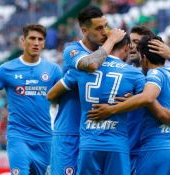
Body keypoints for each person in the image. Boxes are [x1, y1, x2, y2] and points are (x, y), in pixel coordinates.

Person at [88, 36, 170, 175]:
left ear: (144, 58)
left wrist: (111, 110)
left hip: (155, 149)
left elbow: (148, 98)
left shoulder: (155, 73)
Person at [48, 35, 144, 175]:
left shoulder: (82, 69)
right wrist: (132, 100)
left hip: (89, 144)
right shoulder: (134, 74)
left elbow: (51, 95)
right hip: (117, 144)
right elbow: (148, 100)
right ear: (126, 47)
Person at [50, 5, 126, 175]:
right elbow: (91, 64)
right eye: (99, 28)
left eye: (106, 26)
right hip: (70, 132)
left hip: (96, 136)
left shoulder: (109, 57)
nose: (105, 32)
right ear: (85, 30)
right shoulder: (73, 50)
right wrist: (112, 41)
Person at [0, 24, 62, 175]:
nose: (36, 42)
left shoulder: (54, 70)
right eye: (32, 38)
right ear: (23, 41)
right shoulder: (6, 69)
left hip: (46, 138)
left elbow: (67, 99)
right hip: (19, 137)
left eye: (40, 39)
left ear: (44, 43)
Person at [126, 25, 170, 174]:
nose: (132, 46)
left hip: (148, 148)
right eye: (130, 41)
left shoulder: (154, 75)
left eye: (137, 42)